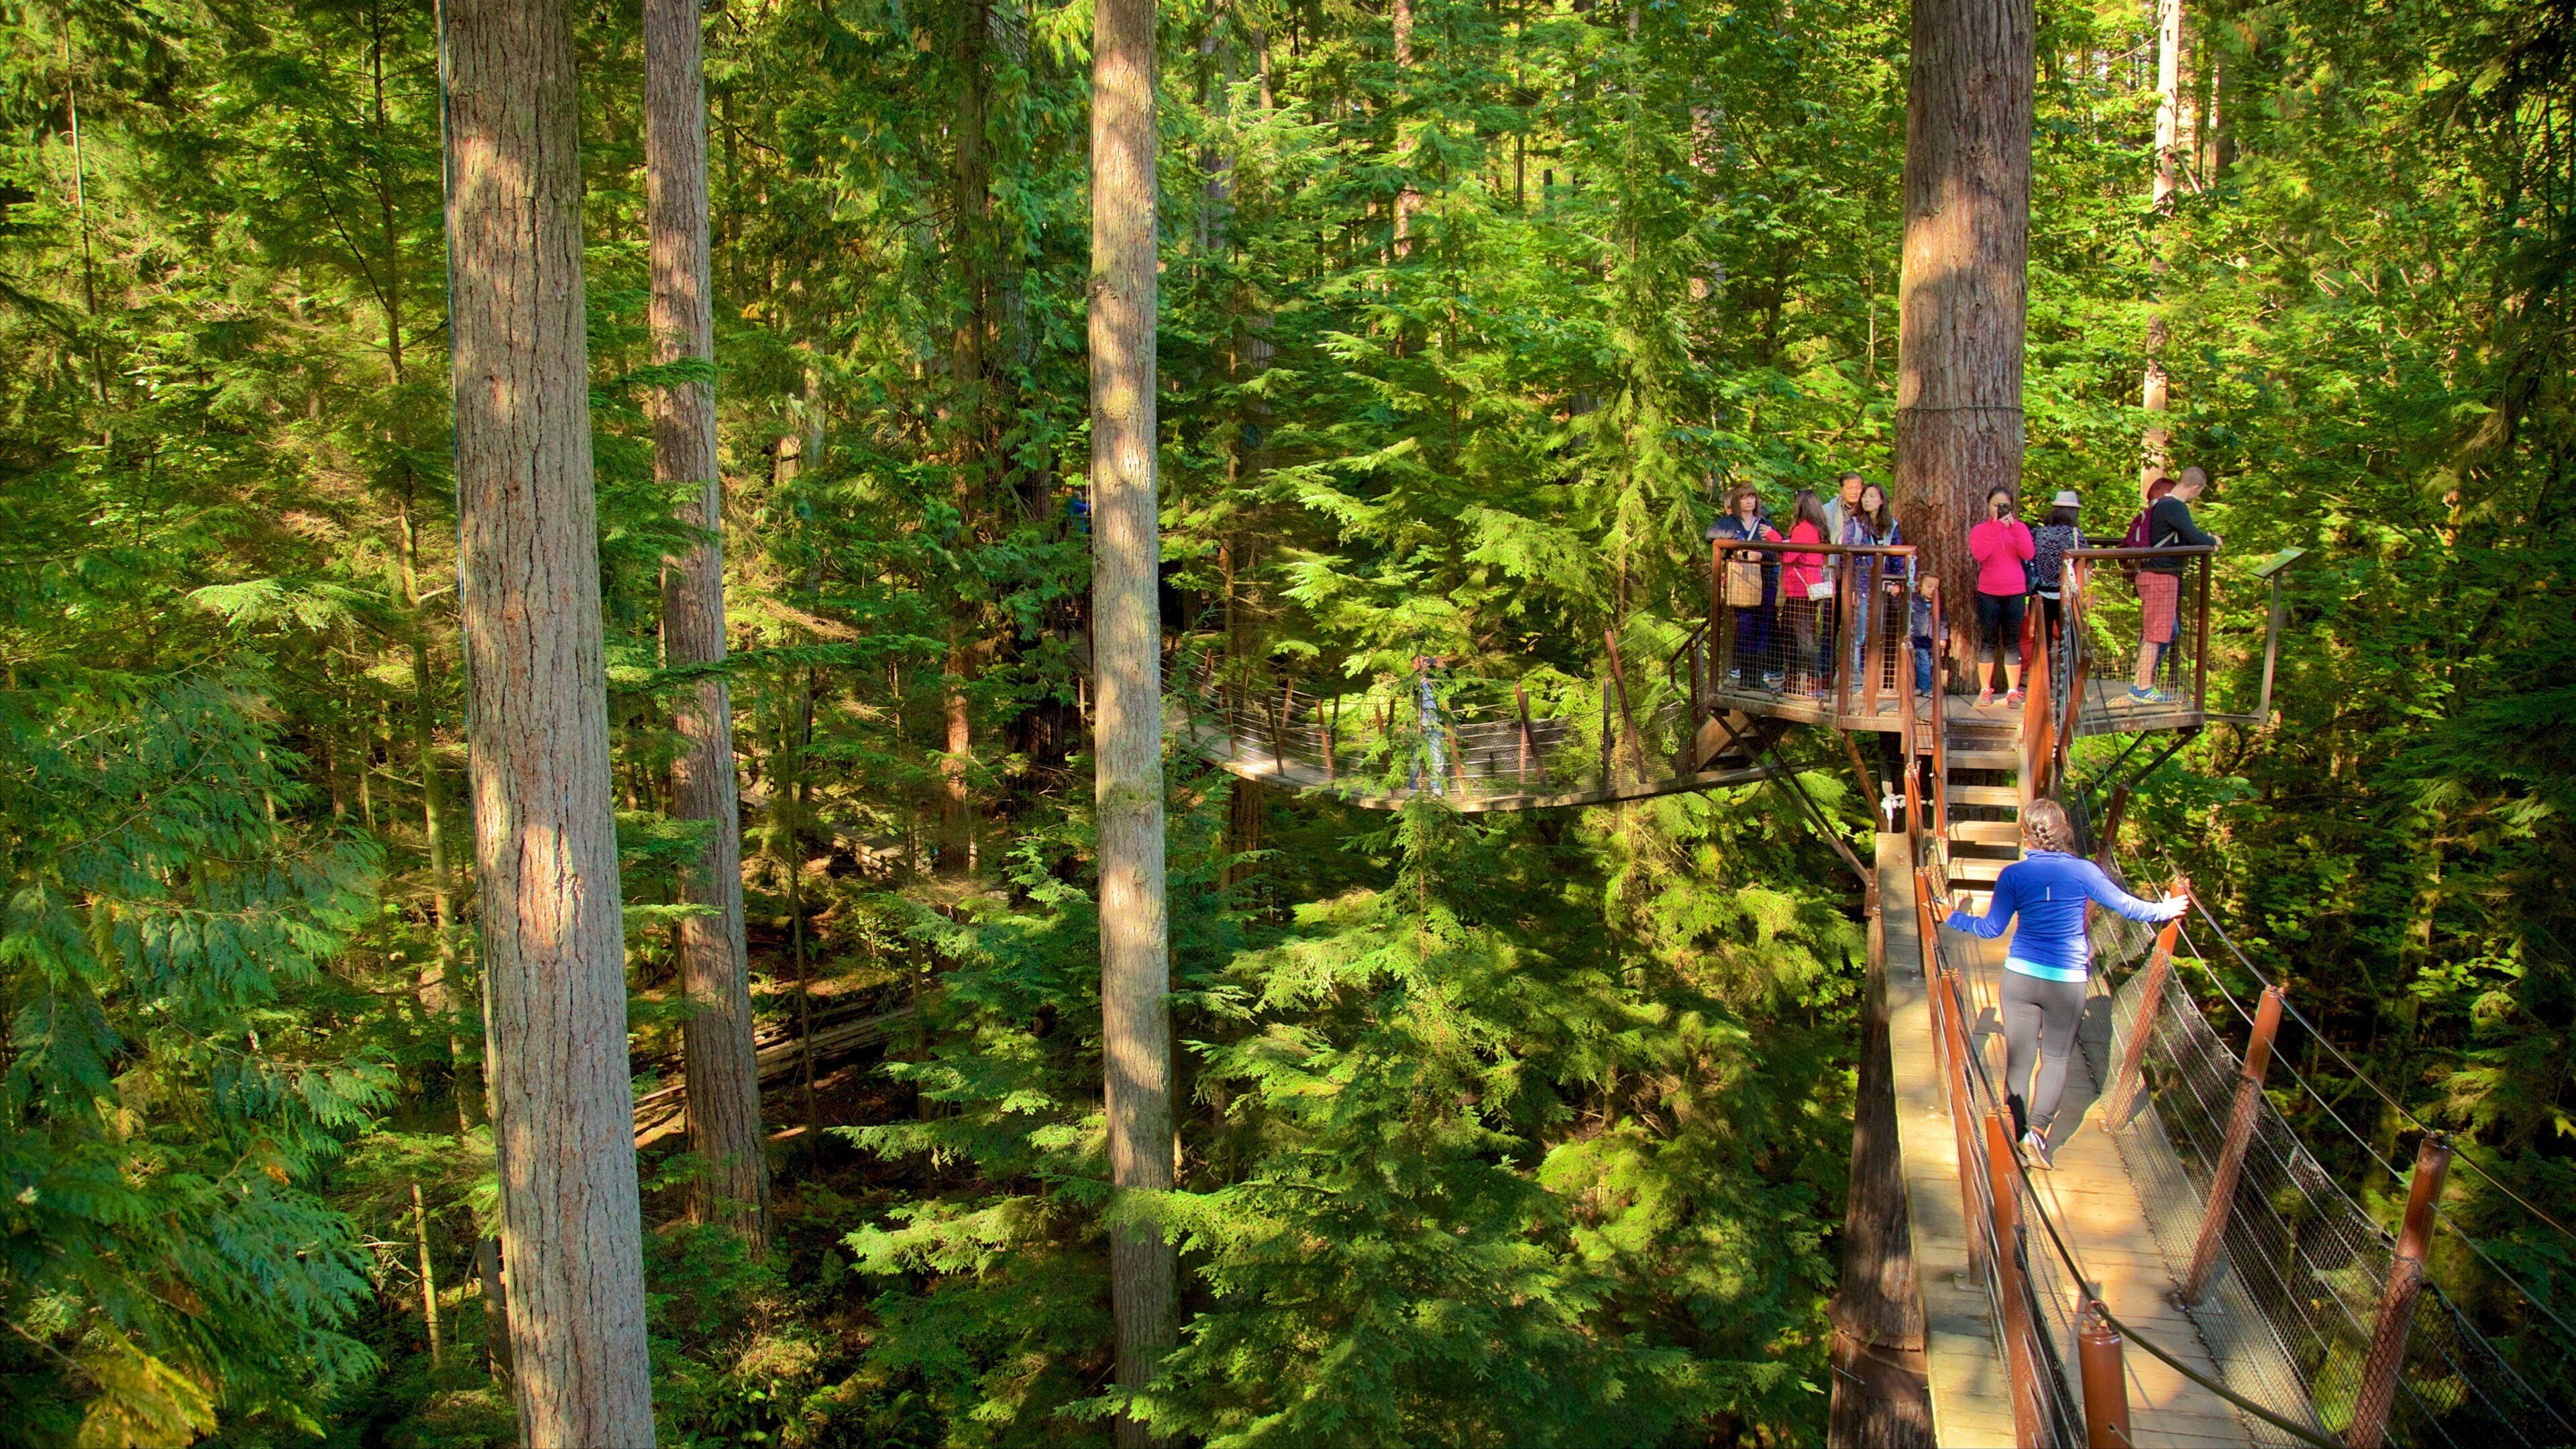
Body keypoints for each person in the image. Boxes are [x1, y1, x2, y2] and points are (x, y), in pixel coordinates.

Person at [1942, 799, 2192, 1167]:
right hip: (2066, 982)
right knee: (2057, 1058)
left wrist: (1953, 918)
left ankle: (2015, 1131)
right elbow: (2128, 907)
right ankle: (2037, 1133)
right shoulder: (2084, 871)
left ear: (2026, 834)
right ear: (2064, 831)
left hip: (2020, 977)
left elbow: (1992, 929)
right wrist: (2166, 910)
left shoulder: (2013, 875)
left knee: (2020, 1059)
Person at [2132, 466, 2219, 702]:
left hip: (2158, 575)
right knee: (2156, 633)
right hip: (2161, 576)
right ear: (2195, 488)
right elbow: (2195, 537)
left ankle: (2141, 680)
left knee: (2168, 630)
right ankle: (2141, 687)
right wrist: (2213, 541)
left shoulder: (2163, 505)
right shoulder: (2175, 506)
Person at [1709, 485, 1783, 689]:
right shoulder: (1730, 522)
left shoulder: (1764, 524)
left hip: (1765, 581)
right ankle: (1745, 678)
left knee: (1763, 629)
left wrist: (1761, 554)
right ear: (1737, 501)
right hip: (1742, 582)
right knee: (1745, 628)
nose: (1749, 501)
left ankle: (1757, 679)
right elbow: (1710, 534)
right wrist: (1738, 543)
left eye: (1752, 497)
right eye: (1744, 498)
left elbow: (1777, 551)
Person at [1968, 485, 2035, 707]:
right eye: (1996, 505)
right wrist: (1997, 527)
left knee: (2012, 643)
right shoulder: (1980, 530)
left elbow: (2028, 553)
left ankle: (2013, 691)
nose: (2000, 509)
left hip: (2015, 592)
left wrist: (2013, 528)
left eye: (2004, 505)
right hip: (1988, 592)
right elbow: (1980, 554)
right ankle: (1985, 690)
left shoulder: (2020, 528)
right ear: (1988, 506)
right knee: (1988, 642)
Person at [1841, 483, 1909, 688]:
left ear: (1881, 500)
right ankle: (1854, 679)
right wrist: (1851, 587)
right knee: (1858, 633)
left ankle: (1870, 677)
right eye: (1865, 496)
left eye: (1872, 496)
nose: (1867, 500)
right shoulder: (1854, 524)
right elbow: (1847, 558)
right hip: (1861, 587)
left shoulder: (1891, 525)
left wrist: (1896, 580)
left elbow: (1897, 554)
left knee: (1876, 633)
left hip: (1882, 587)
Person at [1778, 489, 1833, 693]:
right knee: (1789, 631)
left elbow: (1788, 556)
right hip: (1806, 588)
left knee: (1803, 636)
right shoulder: (1817, 528)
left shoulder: (1804, 529)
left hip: (1800, 590)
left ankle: (1812, 681)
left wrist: (1775, 538)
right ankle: (1794, 678)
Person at [2032, 490, 2083, 655]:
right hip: (2066, 594)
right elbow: (2085, 559)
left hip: (2041, 592)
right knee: (2068, 639)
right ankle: (2065, 670)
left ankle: (2043, 670)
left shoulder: (2039, 533)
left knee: (2042, 640)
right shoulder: (2076, 535)